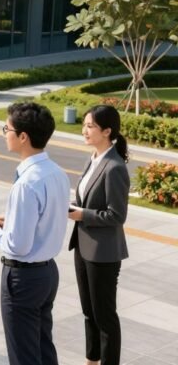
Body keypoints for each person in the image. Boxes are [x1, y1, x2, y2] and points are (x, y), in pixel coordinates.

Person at [0, 102, 71, 365]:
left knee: (23, 356)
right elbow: (48, 220)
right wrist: (12, 223)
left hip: (22, 278)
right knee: (43, 347)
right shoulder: (58, 173)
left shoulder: (26, 183)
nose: (5, 133)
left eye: (7, 128)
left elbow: (17, 245)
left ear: (23, 136)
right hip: (47, 273)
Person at [68, 104, 129, 365]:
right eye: (84, 124)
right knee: (88, 312)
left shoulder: (114, 167)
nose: (84, 130)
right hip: (83, 246)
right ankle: (91, 361)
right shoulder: (93, 159)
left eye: (90, 126)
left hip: (103, 253)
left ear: (107, 131)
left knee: (104, 316)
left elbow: (117, 216)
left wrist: (83, 215)